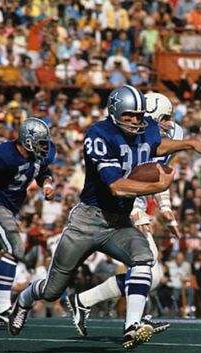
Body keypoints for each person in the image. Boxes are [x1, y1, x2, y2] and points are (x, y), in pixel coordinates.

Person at [8, 85, 201, 350]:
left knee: (144, 260)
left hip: (118, 221)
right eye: (130, 115)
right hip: (87, 221)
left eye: (140, 115)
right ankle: (24, 300)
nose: (136, 121)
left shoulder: (147, 128)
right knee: (52, 290)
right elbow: (117, 186)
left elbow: (156, 144)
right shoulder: (99, 134)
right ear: (115, 112)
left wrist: (190, 143)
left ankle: (131, 326)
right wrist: (157, 187)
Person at [63, 92, 183, 337]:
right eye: (167, 117)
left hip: (131, 203)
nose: (170, 123)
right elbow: (121, 182)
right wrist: (138, 211)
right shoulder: (122, 135)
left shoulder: (163, 135)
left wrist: (167, 211)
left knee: (152, 272)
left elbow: (158, 177)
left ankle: (88, 302)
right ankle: (131, 320)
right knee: (149, 269)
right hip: (118, 207)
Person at [0, 117, 56, 324]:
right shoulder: (4, 155)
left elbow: (43, 172)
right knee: (14, 247)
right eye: (40, 142)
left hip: (9, 209)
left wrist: (47, 185)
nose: (45, 147)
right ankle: (3, 307)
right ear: (27, 140)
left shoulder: (38, 155)